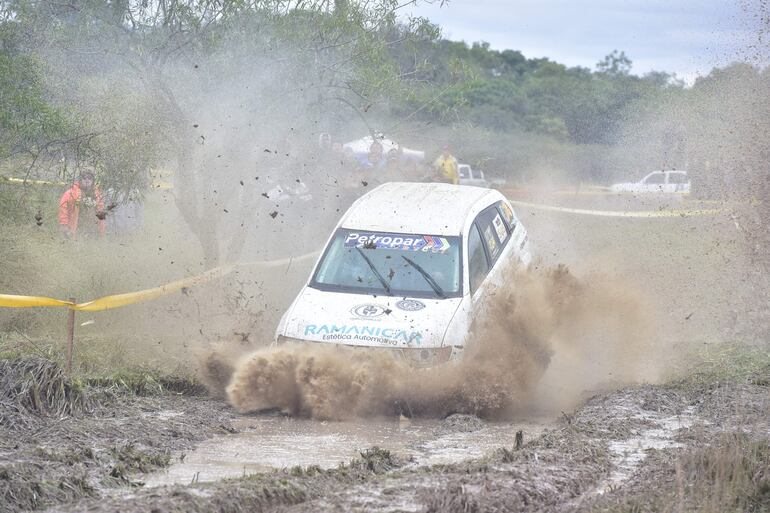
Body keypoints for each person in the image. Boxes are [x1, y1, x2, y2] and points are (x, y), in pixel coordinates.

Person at [58, 170, 106, 239]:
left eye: (89, 178)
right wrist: (64, 224)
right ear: (80, 180)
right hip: (76, 227)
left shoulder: (97, 194)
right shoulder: (71, 192)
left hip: (92, 228)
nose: (87, 180)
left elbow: (101, 212)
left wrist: (101, 229)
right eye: (84, 178)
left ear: (93, 181)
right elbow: (63, 209)